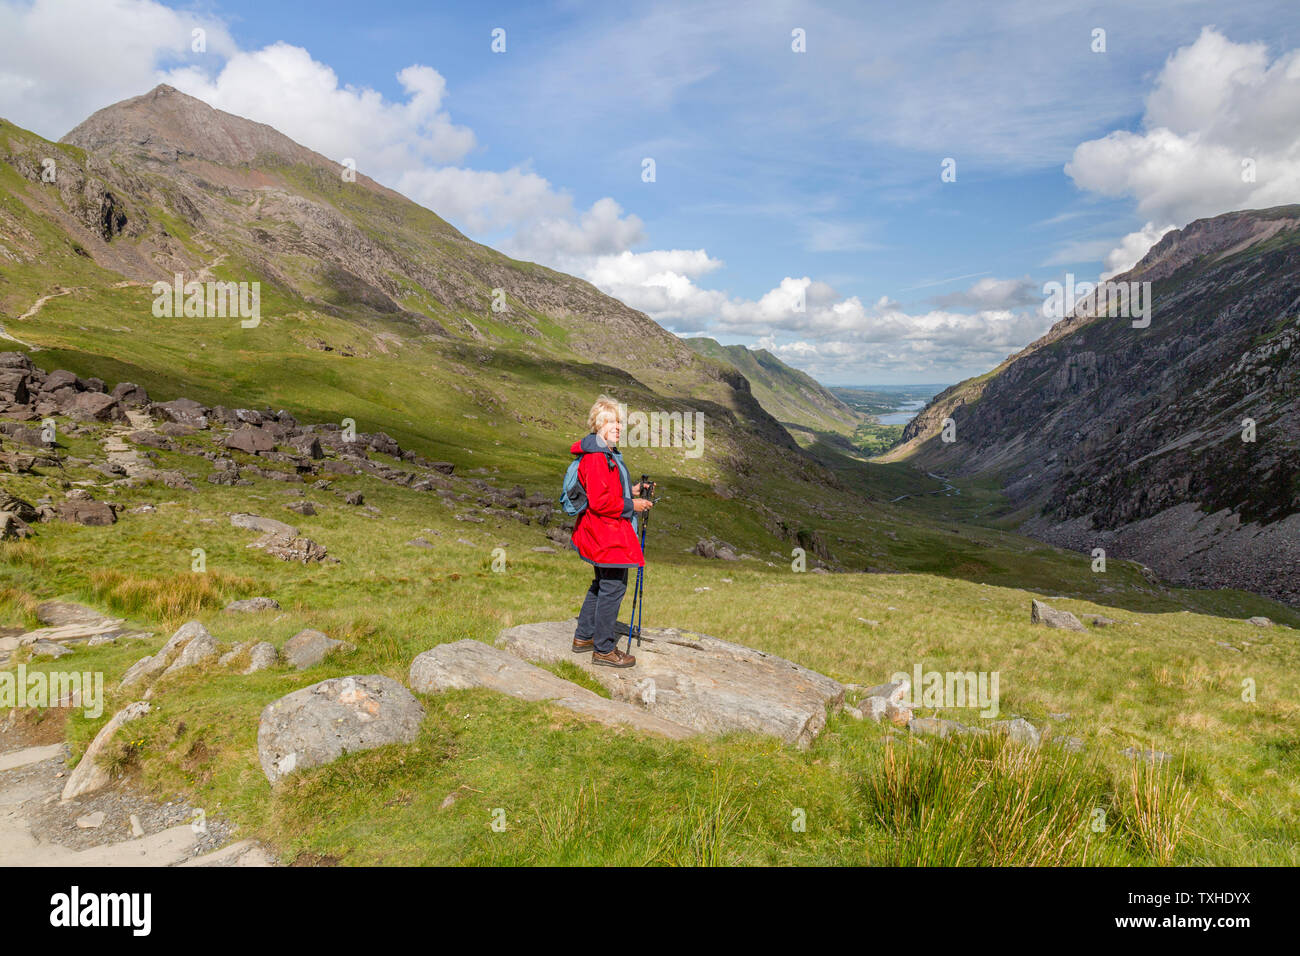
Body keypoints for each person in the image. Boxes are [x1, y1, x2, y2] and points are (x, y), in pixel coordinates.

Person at [568, 395, 653, 667]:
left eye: (619, 422)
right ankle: (604, 649)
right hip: (606, 535)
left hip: (601, 532)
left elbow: (607, 491)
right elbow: (601, 501)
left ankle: (584, 636)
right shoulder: (596, 457)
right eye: (612, 422)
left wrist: (632, 491)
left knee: (602, 584)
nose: (618, 427)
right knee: (614, 587)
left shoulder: (604, 453)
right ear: (599, 425)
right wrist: (633, 505)